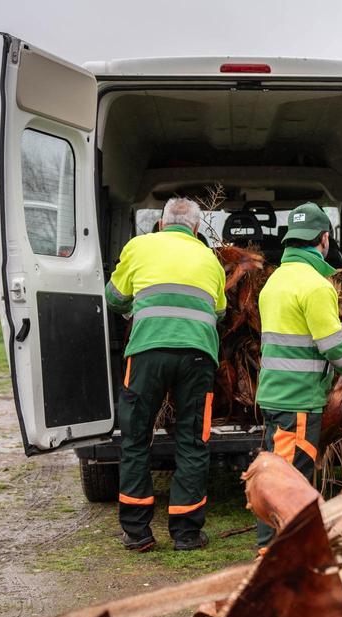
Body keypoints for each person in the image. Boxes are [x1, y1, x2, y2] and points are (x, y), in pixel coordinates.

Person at [104, 197, 227, 552]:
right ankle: (187, 534)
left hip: (147, 354)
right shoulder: (210, 259)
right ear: (196, 228)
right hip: (198, 357)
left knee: (136, 437)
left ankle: (137, 532)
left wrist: (136, 309)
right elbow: (219, 311)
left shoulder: (138, 247)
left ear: (160, 224)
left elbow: (114, 297)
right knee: (192, 441)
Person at [255, 202, 342, 551]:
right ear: (324, 238)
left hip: (274, 394)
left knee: (276, 473)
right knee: (291, 481)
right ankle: (278, 553)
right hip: (299, 400)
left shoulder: (274, 282)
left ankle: (271, 548)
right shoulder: (317, 286)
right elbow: (333, 347)